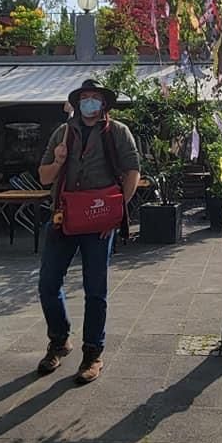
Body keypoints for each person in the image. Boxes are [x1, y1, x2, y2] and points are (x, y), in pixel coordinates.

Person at [37, 78, 140, 383]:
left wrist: (115, 215)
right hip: (63, 216)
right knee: (48, 284)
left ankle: (93, 353)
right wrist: (58, 161)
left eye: (95, 97)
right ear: (77, 102)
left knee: (96, 290)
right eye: (84, 97)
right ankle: (59, 340)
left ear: (104, 103)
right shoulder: (63, 132)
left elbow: (132, 172)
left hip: (99, 221)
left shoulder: (117, 132)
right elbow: (44, 177)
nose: (89, 102)